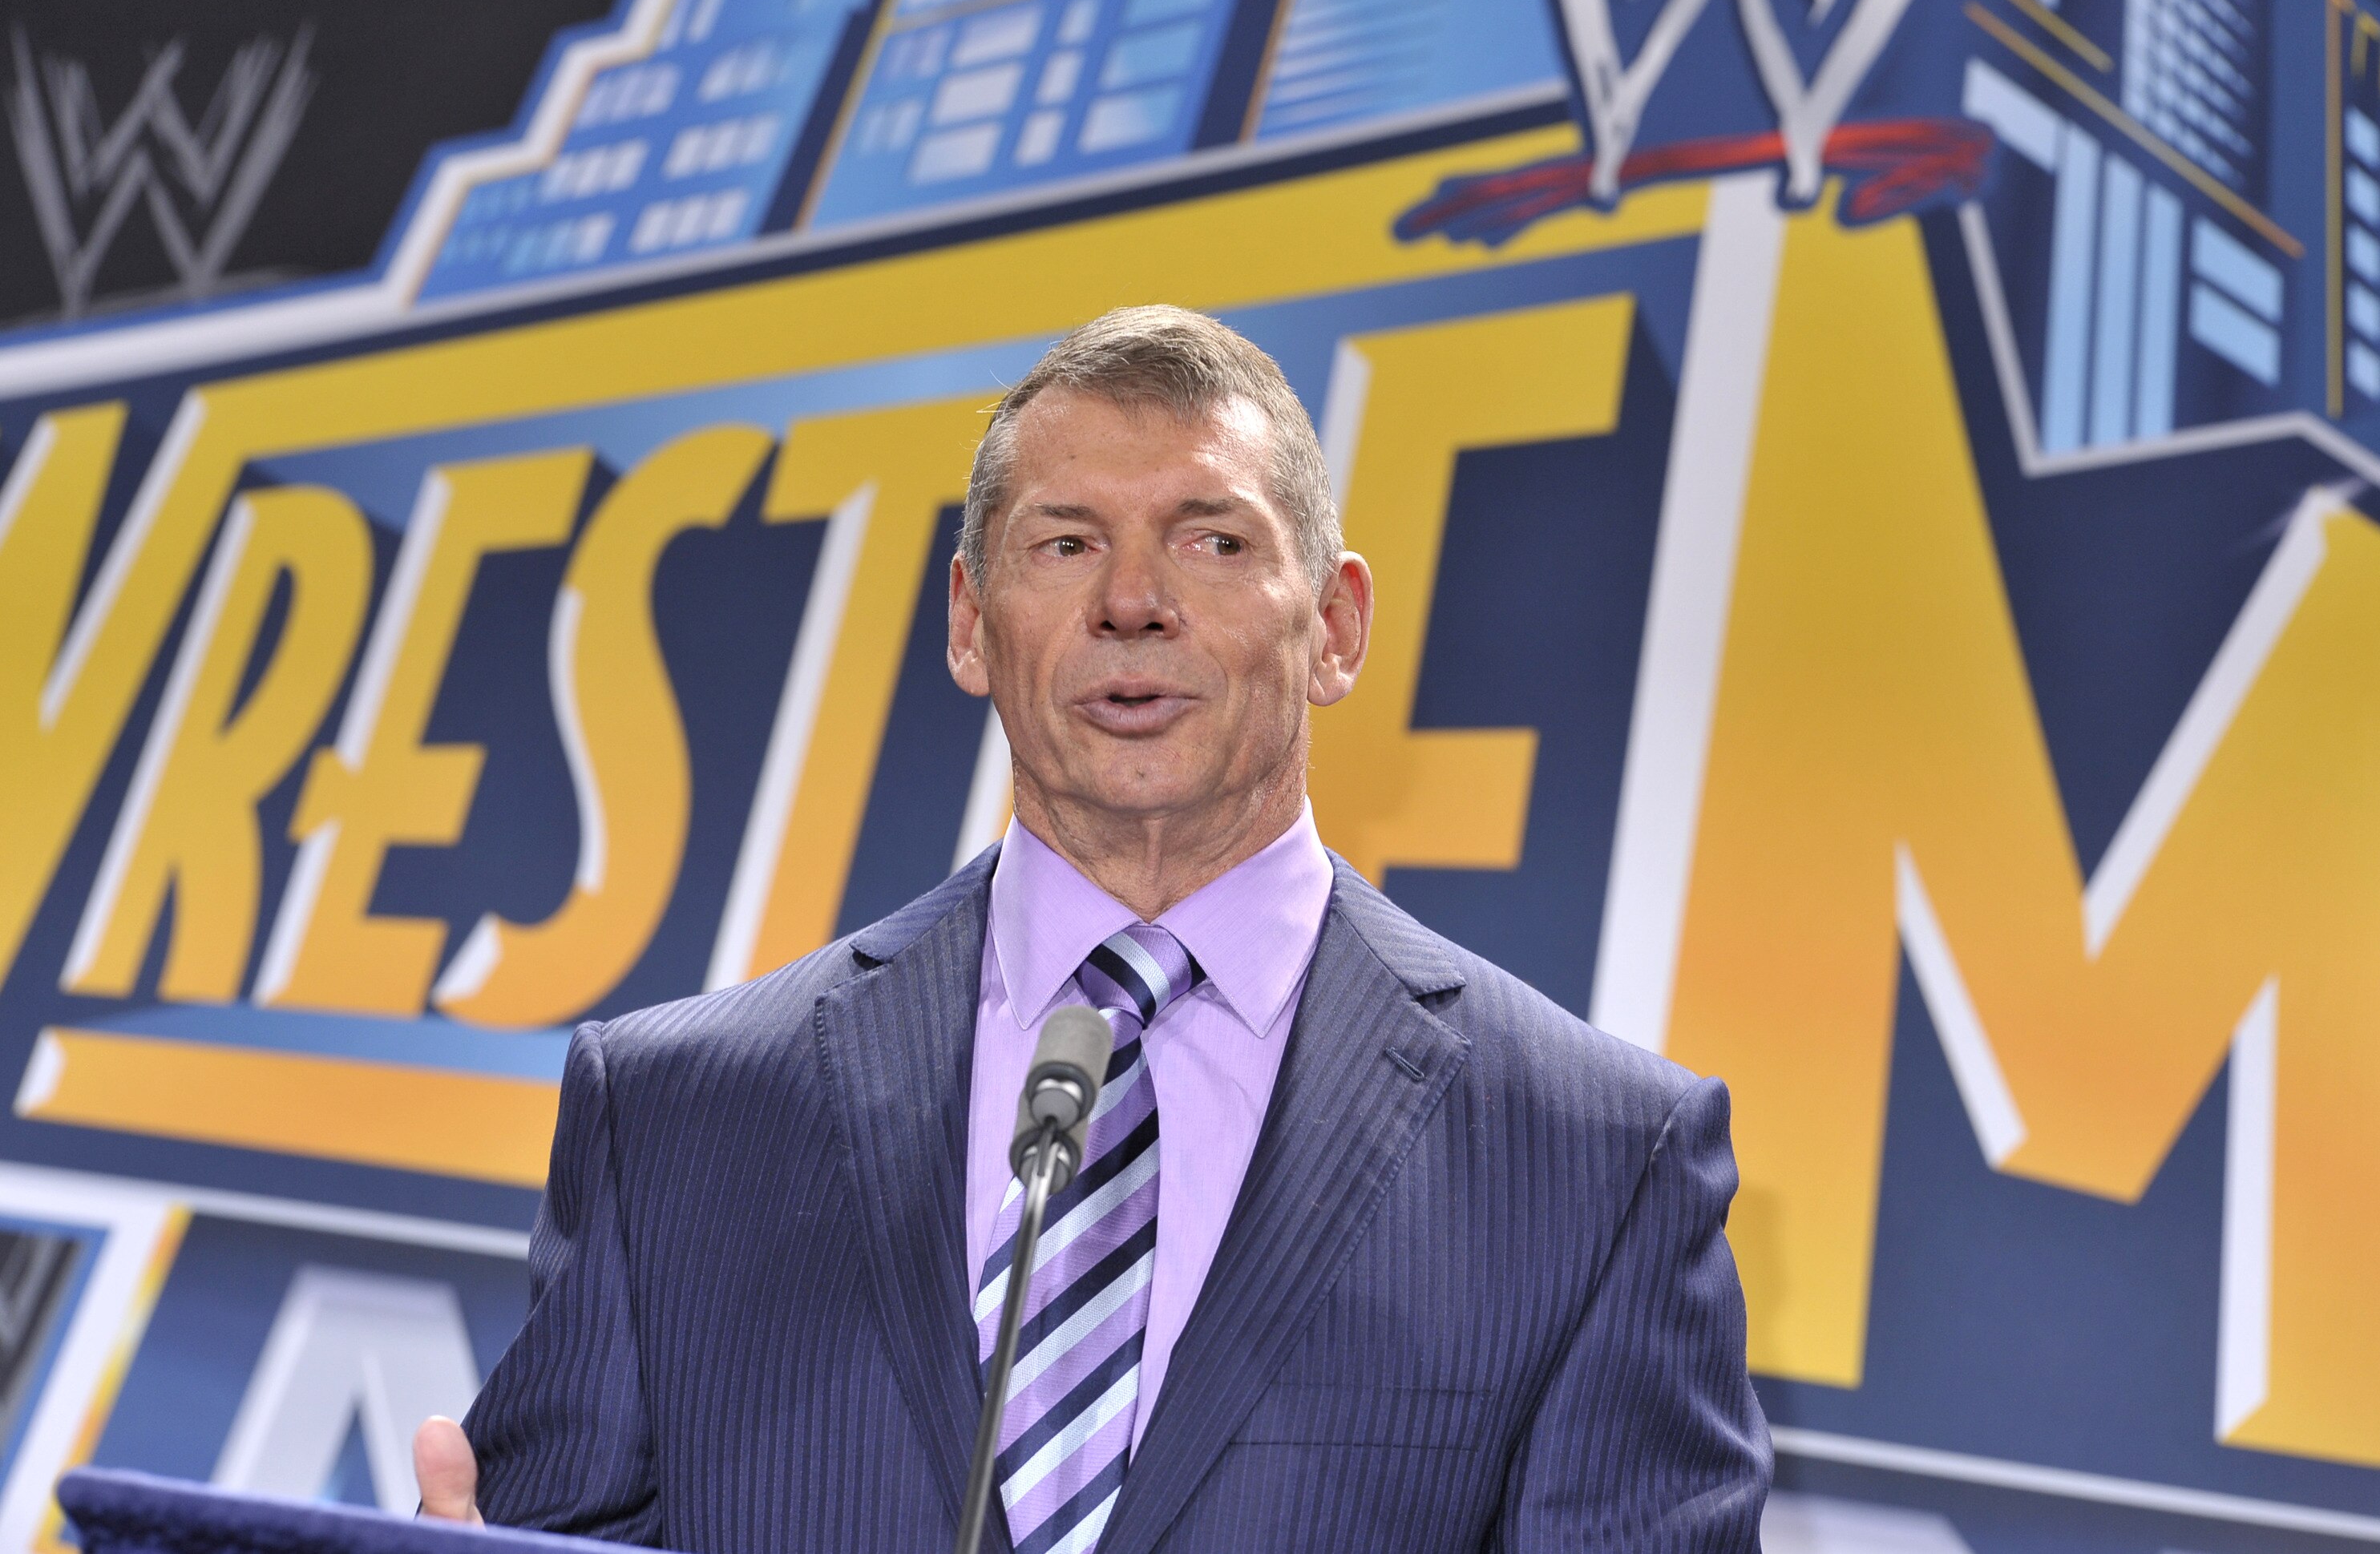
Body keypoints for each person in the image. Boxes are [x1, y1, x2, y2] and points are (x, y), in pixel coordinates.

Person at [415, 305, 1771, 1552]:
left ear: (1334, 627)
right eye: (1065, 544)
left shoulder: (1597, 1165)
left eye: (1213, 541)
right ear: (969, 623)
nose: (1133, 601)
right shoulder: (674, 1117)